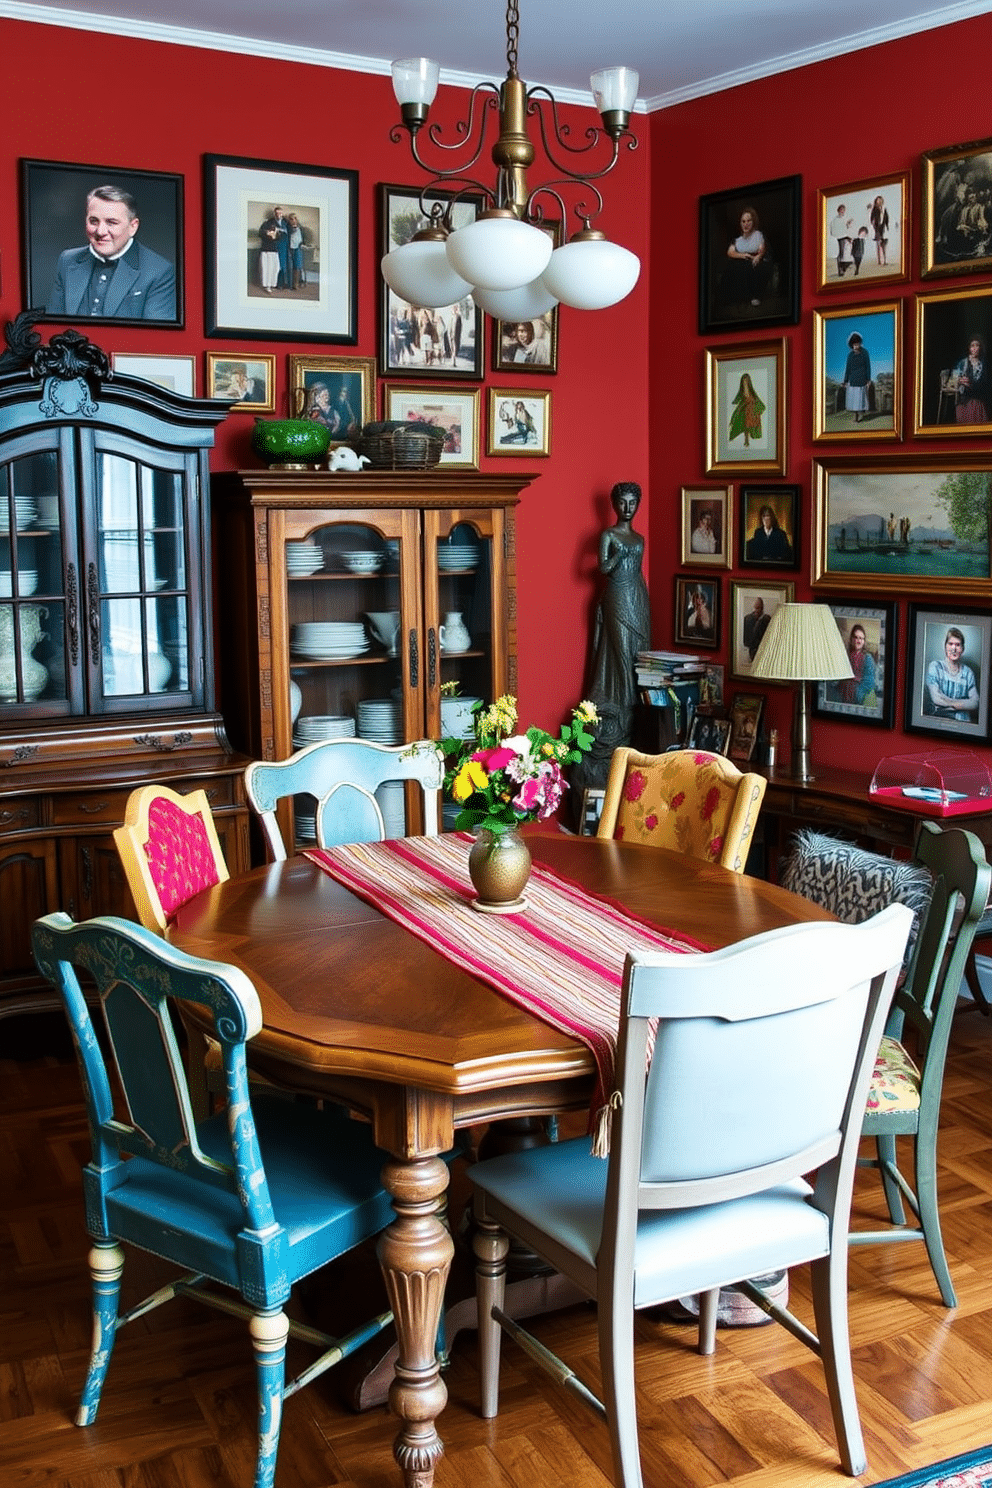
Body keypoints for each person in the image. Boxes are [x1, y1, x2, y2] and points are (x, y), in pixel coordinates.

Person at [46, 184, 176, 321]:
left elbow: (156, 338)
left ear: (133, 227)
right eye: (93, 221)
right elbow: (54, 325)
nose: (100, 232)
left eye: (111, 222)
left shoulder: (159, 271)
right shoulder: (68, 260)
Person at [587, 481, 650, 726]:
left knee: (639, 652)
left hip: (637, 595)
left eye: (632, 503)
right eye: (622, 502)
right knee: (621, 652)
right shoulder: (609, 535)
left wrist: (643, 601)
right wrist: (617, 556)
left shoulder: (639, 538)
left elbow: (638, 571)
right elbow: (602, 568)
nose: (627, 508)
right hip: (616, 594)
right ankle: (622, 713)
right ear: (614, 504)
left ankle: (636, 713)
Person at [926, 626, 980, 721]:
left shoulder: (968, 673)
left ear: (962, 649)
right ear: (945, 646)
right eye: (950, 644)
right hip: (940, 720)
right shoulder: (935, 667)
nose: (954, 648)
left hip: (963, 722)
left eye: (958, 645)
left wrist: (948, 702)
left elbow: (975, 703)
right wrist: (963, 704)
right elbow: (936, 699)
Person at [721, 207, 771, 308]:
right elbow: (730, 252)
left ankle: (754, 296)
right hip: (742, 262)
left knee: (753, 266)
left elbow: (762, 249)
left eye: (749, 221)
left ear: (754, 222)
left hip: (755, 262)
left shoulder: (758, 235)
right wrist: (743, 255)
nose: (746, 224)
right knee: (731, 267)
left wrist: (758, 256)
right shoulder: (738, 240)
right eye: (743, 221)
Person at [830, 623, 877, 706]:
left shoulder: (868, 658)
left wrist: (857, 693)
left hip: (857, 697)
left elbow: (869, 681)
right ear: (851, 639)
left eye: (861, 638)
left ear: (863, 641)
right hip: (841, 694)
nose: (858, 641)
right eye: (855, 637)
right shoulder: (845, 655)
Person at [953, 336, 990, 424]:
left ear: (980, 348)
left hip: (977, 399)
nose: (975, 348)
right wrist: (959, 380)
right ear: (969, 348)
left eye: (977, 345)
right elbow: (953, 378)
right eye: (972, 346)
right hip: (963, 399)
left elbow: (985, 384)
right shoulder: (962, 363)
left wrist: (971, 384)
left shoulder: (983, 365)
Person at [728, 372, 765, 447]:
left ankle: (747, 441)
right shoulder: (742, 391)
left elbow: (755, 400)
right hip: (745, 409)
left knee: (748, 424)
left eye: (746, 381)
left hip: (750, 410)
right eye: (743, 381)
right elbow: (741, 401)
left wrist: (754, 407)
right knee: (743, 423)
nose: (744, 383)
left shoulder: (751, 392)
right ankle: (746, 441)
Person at [843, 331, 871, 423]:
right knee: (854, 400)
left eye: (857, 344)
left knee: (860, 400)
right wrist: (845, 381)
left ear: (860, 343)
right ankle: (855, 416)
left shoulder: (865, 353)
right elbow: (848, 369)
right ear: (852, 345)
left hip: (862, 379)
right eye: (854, 345)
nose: (856, 346)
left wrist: (868, 379)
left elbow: (868, 366)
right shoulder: (850, 355)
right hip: (852, 380)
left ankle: (860, 415)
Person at [258, 206, 288, 293]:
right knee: (266, 268)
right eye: (276, 213)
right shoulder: (267, 223)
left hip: (275, 249)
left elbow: (280, 236)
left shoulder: (284, 223)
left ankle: (271, 284)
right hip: (266, 249)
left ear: (282, 214)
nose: (278, 215)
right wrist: (268, 233)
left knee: (275, 268)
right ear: (274, 214)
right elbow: (261, 233)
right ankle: (267, 286)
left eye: (280, 213)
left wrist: (276, 236)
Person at [829, 202, 852, 277]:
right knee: (840, 254)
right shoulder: (835, 220)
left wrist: (848, 224)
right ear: (838, 211)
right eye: (841, 210)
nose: (842, 212)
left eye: (843, 210)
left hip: (845, 237)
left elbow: (846, 229)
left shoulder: (844, 218)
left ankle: (843, 269)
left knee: (845, 254)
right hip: (839, 238)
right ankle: (840, 270)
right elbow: (834, 231)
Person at [286, 213, 305, 289]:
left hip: (298, 248)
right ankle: (290, 284)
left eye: (294, 219)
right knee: (290, 266)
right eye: (291, 219)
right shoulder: (288, 227)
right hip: (290, 248)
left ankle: (296, 284)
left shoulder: (300, 228)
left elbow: (303, 237)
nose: (293, 221)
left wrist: (303, 243)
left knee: (298, 266)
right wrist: (292, 228)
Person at [870, 195, 890, 266]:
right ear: (876, 201)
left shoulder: (884, 209)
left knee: (884, 245)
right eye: (878, 200)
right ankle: (879, 261)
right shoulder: (874, 209)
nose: (879, 202)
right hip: (877, 229)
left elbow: (886, 218)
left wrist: (887, 227)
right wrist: (874, 226)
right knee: (878, 245)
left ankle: (885, 260)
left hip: (883, 228)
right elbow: (871, 218)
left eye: (880, 200)